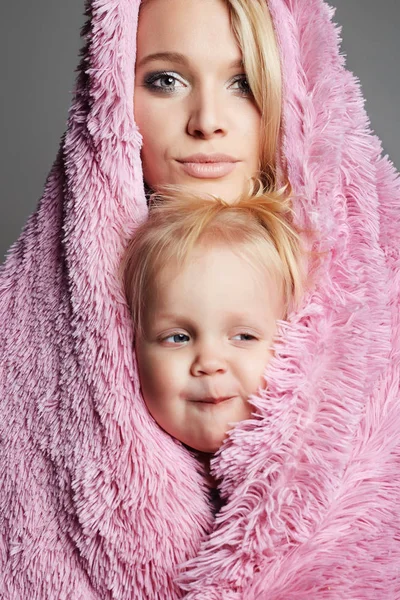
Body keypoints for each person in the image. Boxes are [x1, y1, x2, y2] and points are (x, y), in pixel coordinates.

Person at [0, 0, 399, 598]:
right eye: (165, 80)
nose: (207, 120)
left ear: (296, 91)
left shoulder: (378, 303)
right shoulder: (28, 336)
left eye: (243, 82)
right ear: (109, 98)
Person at [122, 190, 303, 501]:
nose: (209, 362)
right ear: (131, 348)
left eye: (243, 336)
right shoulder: (120, 480)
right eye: (178, 337)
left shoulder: (312, 472)